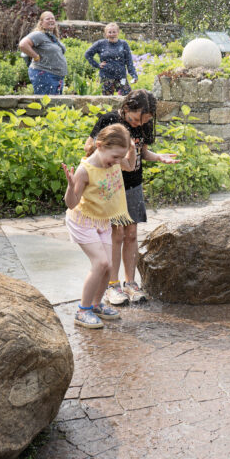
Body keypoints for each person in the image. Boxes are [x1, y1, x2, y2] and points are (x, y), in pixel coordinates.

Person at [85, 90, 177, 306]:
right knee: (116, 235)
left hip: (134, 184)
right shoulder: (109, 120)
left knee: (132, 233)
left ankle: (130, 283)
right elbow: (89, 147)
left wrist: (158, 157)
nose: (137, 125)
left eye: (143, 121)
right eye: (134, 119)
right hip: (113, 185)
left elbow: (143, 152)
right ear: (126, 108)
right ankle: (112, 285)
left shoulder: (144, 124)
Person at [62, 123, 137, 329]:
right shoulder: (85, 170)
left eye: (120, 157)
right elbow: (71, 203)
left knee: (108, 267)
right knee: (101, 263)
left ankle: (96, 305)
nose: (118, 162)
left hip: (102, 221)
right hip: (82, 221)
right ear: (100, 145)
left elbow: (130, 166)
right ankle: (82, 310)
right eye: (115, 157)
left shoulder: (113, 162)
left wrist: (132, 149)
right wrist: (70, 187)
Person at [18, 11, 68, 94]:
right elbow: (23, 44)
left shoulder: (52, 37)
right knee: (46, 104)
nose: (51, 20)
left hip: (56, 76)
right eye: (48, 19)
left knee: (55, 105)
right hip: (44, 74)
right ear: (41, 23)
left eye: (53, 18)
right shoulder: (39, 34)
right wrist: (35, 56)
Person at [85, 23, 138, 96]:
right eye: (109, 32)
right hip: (106, 77)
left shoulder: (123, 44)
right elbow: (88, 54)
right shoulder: (101, 43)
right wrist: (97, 65)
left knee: (127, 97)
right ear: (106, 33)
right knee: (107, 101)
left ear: (118, 33)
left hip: (121, 77)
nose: (112, 34)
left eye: (114, 32)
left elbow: (129, 61)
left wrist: (134, 75)